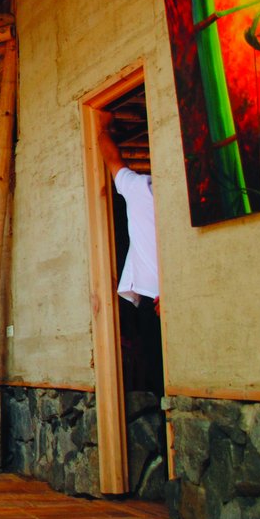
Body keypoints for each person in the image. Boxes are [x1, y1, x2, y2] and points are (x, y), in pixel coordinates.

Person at [97, 110, 163, 396]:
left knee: (161, 379)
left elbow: (112, 159)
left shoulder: (141, 190)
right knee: (159, 381)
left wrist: (102, 128)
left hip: (155, 302)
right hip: (153, 301)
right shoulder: (145, 190)